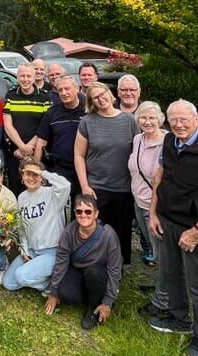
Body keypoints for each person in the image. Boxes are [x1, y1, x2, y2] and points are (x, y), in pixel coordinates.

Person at [148, 100, 198, 356]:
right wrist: (153, 212)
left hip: (195, 226)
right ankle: (179, 319)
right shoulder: (169, 141)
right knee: (172, 274)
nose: (179, 125)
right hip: (168, 219)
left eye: (184, 119)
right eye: (174, 120)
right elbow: (160, 175)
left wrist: (197, 230)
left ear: (196, 119)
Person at [74, 81, 140, 264]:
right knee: (96, 230)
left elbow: (139, 152)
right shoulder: (87, 122)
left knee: (121, 231)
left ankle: (117, 267)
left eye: (102, 94)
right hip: (96, 187)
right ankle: (95, 264)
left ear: (110, 94)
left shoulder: (130, 121)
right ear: (92, 102)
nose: (100, 99)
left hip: (124, 187)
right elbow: (79, 155)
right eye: (95, 97)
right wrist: (85, 185)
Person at [45, 194, 123, 330]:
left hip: (98, 272)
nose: (83, 215)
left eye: (88, 211)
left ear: (96, 214)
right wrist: (54, 292)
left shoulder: (108, 235)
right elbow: (61, 261)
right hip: (78, 269)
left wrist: (108, 302)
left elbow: (114, 269)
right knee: (67, 295)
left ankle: (93, 308)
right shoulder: (69, 231)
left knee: (94, 272)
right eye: (79, 211)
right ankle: (90, 295)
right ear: (75, 213)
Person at [3, 158, 70, 292]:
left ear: (41, 177)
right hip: (33, 251)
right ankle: (42, 277)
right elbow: (22, 227)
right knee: (8, 283)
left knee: (21, 276)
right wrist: (24, 249)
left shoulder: (52, 194)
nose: (31, 178)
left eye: (35, 174)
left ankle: (52, 283)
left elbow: (65, 185)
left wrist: (43, 172)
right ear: (22, 176)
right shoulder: (21, 197)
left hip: (52, 251)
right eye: (28, 174)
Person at [127, 101, 169, 317]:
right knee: (155, 250)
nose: (147, 121)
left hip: (157, 209)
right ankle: (163, 290)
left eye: (152, 117)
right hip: (139, 203)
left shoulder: (167, 142)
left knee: (163, 255)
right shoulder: (138, 139)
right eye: (143, 117)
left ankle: (163, 302)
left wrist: (154, 208)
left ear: (160, 119)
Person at [35, 75, 85, 213]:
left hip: (84, 170)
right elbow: (41, 141)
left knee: (81, 209)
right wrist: (36, 168)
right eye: (60, 90)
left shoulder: (88, 111)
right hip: (59, 168)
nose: (64, 93)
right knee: (56, 210)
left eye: (67, 89)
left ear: (77, 89)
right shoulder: (52, 113)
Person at [3, 63, 51, 196]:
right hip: (15, 151)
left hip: (37, 151)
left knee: (37, 189)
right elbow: (7, 124)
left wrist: (29, 147)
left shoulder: (44, 97)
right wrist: (21, 146)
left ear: (34, 77)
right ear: (17, 77)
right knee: (16, 189)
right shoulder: (11, 95)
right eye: (22, 76)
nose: (25, 79)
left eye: (29, 76)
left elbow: (45, 126)